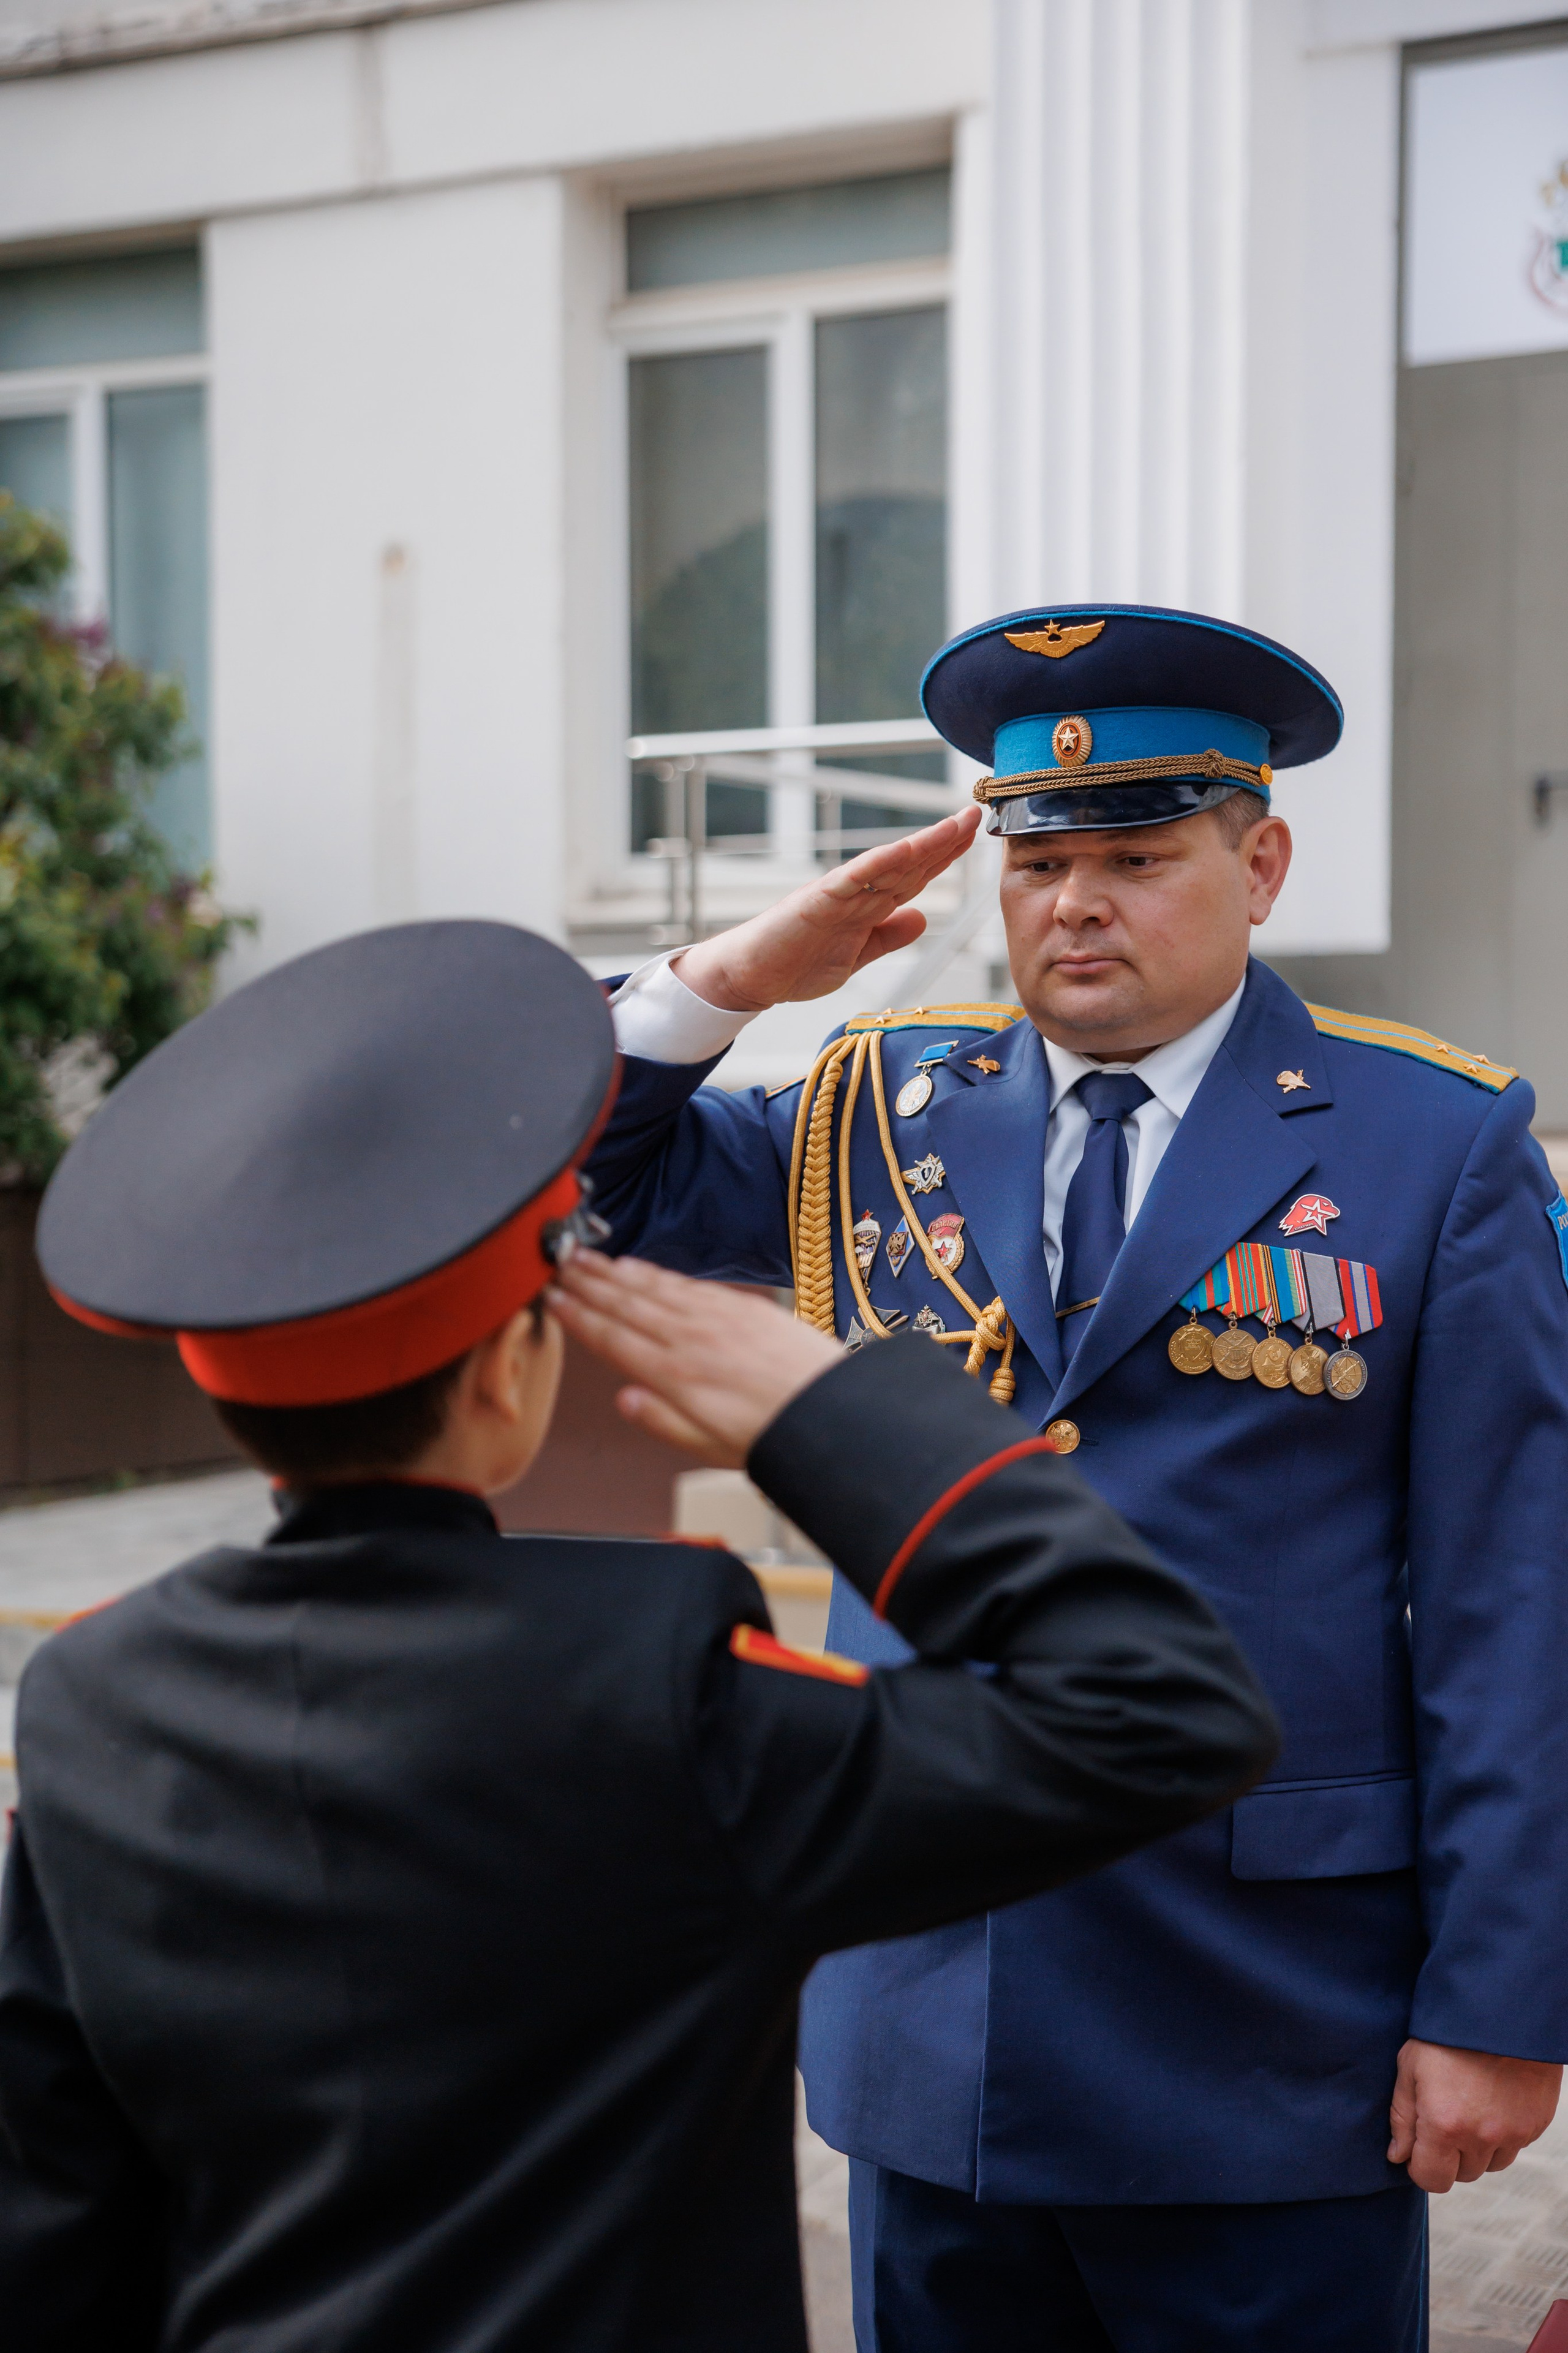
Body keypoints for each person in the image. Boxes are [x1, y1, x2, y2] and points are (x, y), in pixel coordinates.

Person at [0, 916, 1276, 2353]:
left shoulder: (88, 1705)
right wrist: (839, 1413)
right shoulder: (667, 1689)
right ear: (508, 1376)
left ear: (229, 1400)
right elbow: (1165, 1711)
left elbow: (55, 2226)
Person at [586, 603, 1568, 2352]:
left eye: (1135, 854)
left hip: (1269, 2023)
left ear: (1260, 862)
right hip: (934, 2009)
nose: (1074, 903)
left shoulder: (1438, 1141)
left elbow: (1514, 1596)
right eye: (1038, 863)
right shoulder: (873, 1106)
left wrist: (1501, 1998)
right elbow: (585, 1188)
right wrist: (729, 980)